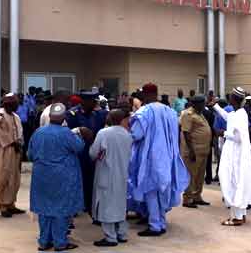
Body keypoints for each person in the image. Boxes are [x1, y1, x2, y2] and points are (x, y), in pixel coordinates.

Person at [128, 83, 189, 236]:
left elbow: (136, 134)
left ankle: (155, 225)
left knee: (151, 191)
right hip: (168, 157)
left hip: (150, 157)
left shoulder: (144, 112)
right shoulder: (169, 111)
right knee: (162, 190)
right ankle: (161, 223)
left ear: (146, 95)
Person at [28, 103, 84, 251]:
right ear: (63, 118)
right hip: (61, 177)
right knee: (61, 209)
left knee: (44, 209)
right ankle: (60, 243)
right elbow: (79, 148)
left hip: (41, 177)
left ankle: (44, 241)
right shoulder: (66, 133)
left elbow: (30, 155)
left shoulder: (38, 133)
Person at [90, 109, 133, 247]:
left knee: (106, 206)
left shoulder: (103, 133)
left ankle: (110, 237)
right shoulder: (127, 134)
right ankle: (122, 234)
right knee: (120, 205)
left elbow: (93, 153)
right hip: (122, 175)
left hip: (106, 174)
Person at [213, 87, 251, 226]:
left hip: (236, 155)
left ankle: (236, 218)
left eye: (230, 96)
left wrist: (223, 133)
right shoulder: (237, 113)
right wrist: (215, 106)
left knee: (233, 182)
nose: (228, 98)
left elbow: (238, 137)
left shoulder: (241, 115)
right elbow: (228, 117)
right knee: (235, 182)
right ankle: (240, 215)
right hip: (233, 152)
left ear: (234, 99)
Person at [65, 91, 108, 218]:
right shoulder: (72, 115)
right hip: (79, 153)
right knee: (77, 180)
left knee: (92, 180)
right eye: (93, 101)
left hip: (94, 152)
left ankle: (90, 206)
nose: (95, 103)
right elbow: (69, 134)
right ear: (84, 102)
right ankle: (75, 207)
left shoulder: (99, 114)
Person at [180, 95, 213, 209]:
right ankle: (187, 198)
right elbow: (186, 133)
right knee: (191, 175)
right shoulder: (187, 114)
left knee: (199, 175)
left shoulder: (200, 113)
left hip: (203, 150)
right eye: (203, 103)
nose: (204, 105)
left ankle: (197, 196)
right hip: (193, 151)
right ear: (196, 104)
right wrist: (191, 151)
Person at [212, 99, 234, 182]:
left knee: (221, 159)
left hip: (222, 138)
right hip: (233, 139)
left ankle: (221, 177)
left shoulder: (220, 113)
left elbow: (215, 128)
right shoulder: (234, 109)